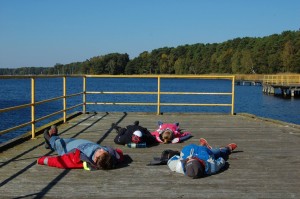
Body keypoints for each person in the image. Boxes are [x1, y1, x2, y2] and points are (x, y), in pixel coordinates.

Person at [39, 125, 124, 170]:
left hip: (67, 148)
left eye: (100, 151)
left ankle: (50, 137)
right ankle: (49, 142)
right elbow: (119, 153)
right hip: (77, 141)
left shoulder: (80, 159)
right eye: (104, 151)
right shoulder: (109, 154)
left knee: (57, 143)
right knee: (62, 140)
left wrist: (42, 160)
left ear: (95, 159)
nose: (102, 149)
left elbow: (60, 162)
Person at [167, 138, 237, 178]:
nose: (190, 158)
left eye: (188, 160)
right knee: (218, 151)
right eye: (193, 159)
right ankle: (228, 148)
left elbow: (170, 160)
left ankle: (202, 144)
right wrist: (217, 160)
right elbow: (221, 161)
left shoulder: (178, 166)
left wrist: (178, 157)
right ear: (201, 163)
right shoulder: (212, 166)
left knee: (201, 148)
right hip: (206, 152)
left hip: (190, 149)